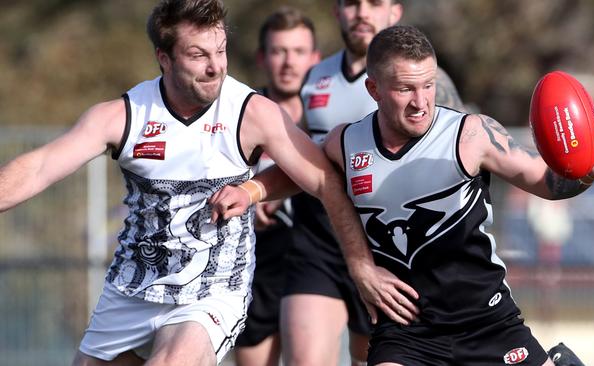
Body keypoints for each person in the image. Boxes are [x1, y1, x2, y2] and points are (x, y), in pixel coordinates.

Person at [0, 1, 370, 365]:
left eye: (221, 51)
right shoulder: (125, 115)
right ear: (165, 57)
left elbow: (322, 177)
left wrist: (361, 267)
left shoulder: (251, 111)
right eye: (198, 55)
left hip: (211, 290)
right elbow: (40, 166)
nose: (215, 67)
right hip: (132, 287)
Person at [319, 25, 594, 365]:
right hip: (407, 333)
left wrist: (588, 170)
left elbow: (547, 184)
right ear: (374, 89)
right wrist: (257, 191)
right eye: (405, 89)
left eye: (428, 86)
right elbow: (299, 169)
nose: (420, 101)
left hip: (487, 323)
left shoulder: (471, 135)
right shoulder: (345, 144)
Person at [282, 1, 466, 365]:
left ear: (395, 12)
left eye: (375, 3)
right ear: (337, 12)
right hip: (319, 244)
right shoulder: (315, 76)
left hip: (388, 247)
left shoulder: (430, 85)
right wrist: (259, 191)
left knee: (368, 357)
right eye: (352, 3)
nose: (362, 12)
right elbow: (310, 157)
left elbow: (457, 163)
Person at [233, 7, 320, 366]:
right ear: (262, 57)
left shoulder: (330, 118)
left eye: (298, 52)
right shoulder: (241, 117)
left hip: (319, 264)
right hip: (258, 268)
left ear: (315, 58)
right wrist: (248, 201)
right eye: (279, 51)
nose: (288, 62)